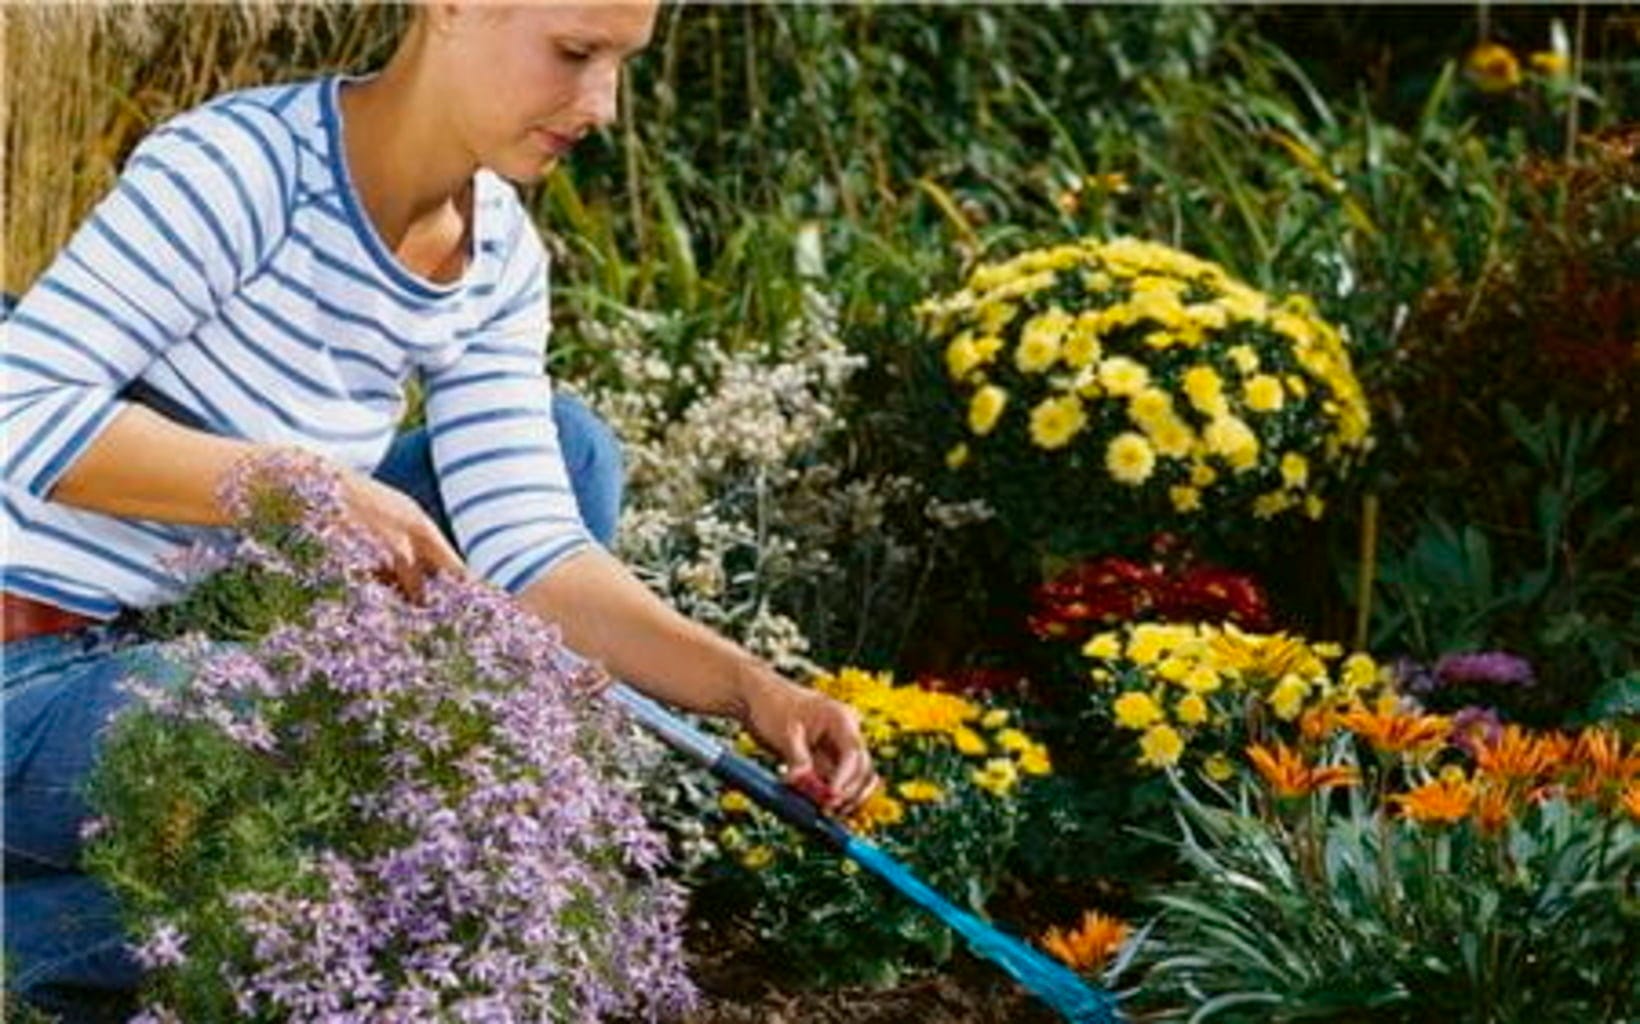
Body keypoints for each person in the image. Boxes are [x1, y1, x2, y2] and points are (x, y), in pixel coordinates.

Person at [1, 1, 876, 1007]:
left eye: (621, 63)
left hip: (205, 646)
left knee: (568, 454)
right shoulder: (243, 168)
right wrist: (309, 489)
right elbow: (18, 408)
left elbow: (535, 559)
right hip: (36, 675)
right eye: (574, 52)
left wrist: (755, 691)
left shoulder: (498, 257)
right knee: (321, 781)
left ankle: (157, 908)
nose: (603, 105)